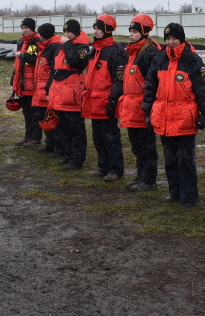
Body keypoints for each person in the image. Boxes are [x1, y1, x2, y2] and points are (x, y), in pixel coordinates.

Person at [143, 23, 205, 207]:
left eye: (174, 38)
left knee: (185, 161)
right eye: (167, 39)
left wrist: (204, 112)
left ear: (181, 39)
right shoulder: (159, 60)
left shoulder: (193, 61)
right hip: (164, 117)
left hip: (184, 119)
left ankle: (189, 196)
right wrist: (147, 111)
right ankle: (174, 192)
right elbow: (150, 87)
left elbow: (202, 89)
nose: (171, 42)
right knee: (170, 159)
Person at [114, 14, 161, 192]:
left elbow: (152, 84)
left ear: (144, 32)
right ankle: (141, 176)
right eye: (130, 31)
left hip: (142, 107)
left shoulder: (149, 54)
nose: (131, 35)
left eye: (134, 31)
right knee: (136, 146)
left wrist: (148, 107)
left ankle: (148, 179)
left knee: (146, 145)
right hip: (131, 105)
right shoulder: (133, 53)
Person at [83, 15, 128, 182]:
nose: (95, 31)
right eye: (95, 28)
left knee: (111, 137)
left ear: (107, 30)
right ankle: (103, 166)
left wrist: (112, 101)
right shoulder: (94, 50)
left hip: (107, 101)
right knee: (98, 137)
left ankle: (116, 169)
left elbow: (119, 80)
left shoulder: (116, 52)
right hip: (94, 101)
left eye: (99, 28)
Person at [47, 19, 90, 170]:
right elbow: (55, 68)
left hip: (72, 92)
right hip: (60, 91)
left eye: (69, 31)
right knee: (64, 127)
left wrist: (67, 45)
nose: (66, 34)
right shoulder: (63, 47)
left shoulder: (83, 47)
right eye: (65, 31)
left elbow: (74, 62)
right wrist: (49, 88)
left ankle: (77, 159)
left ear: (76, 32)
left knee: (76, 129)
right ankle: (68, 155)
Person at [30, 23, 63, 155]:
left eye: (40, 33)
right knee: (44, 118)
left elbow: (53, 70)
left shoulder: (54, 47)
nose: (38, 35)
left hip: (48, 89)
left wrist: (49, 88)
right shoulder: (44, 47)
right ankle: (49, 144)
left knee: (52, 119)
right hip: (41, 89)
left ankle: (57, 147)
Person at [12, 18, 42, 146]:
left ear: (32, 28)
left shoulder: (35, 41)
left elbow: (34, 59)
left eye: (26, 28)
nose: (24, 31)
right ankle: (28, 135)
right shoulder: (21, 41)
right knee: (26, 111)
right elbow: (18, 65)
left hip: (32, 82)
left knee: (34, 112)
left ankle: (35, 137)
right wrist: (14, 79)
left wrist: (22, 55)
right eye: (22, 28)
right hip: (23, 81)